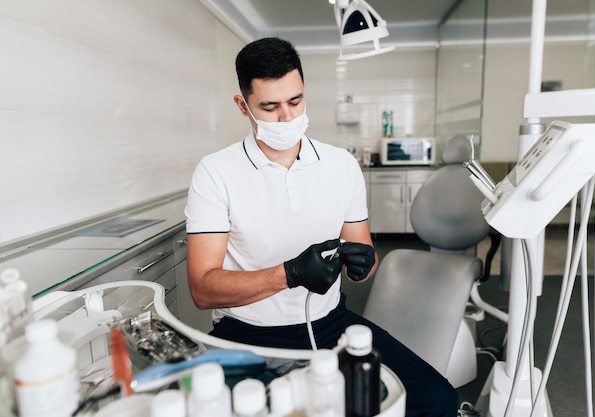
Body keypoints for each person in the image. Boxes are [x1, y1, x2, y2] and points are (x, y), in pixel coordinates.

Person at [185, 37, 458, 417]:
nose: (287, 117)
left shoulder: (340, 166)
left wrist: (365, 265)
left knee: (435, 398)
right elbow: (203, 288)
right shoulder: (216, 173)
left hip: (330, 323)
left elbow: (364, 257)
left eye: (295, 101)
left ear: (304, 90)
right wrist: (291, 273)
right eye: (270, 106)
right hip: (245, 333)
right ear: (242, 105)